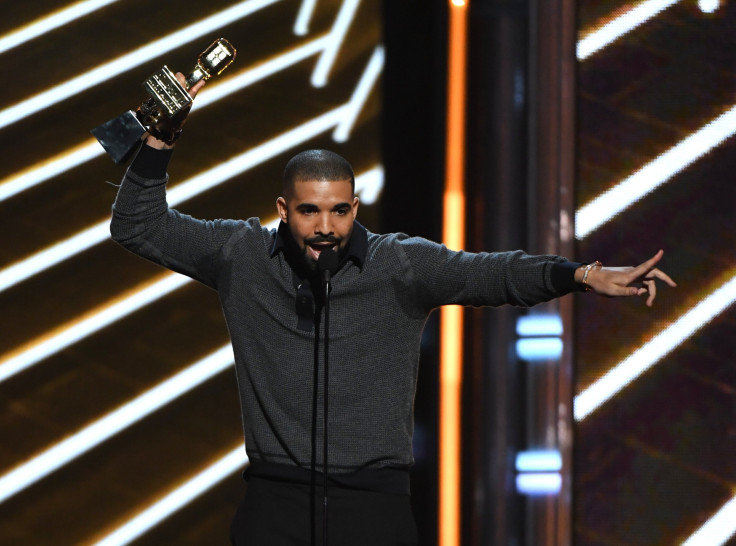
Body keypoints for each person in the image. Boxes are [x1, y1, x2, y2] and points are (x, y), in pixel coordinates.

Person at [109, 75, 676, 545]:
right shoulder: (242, 256)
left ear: (355, 207)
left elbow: (491, 273)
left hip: (374, 509)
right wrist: (159, 141)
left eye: (338, 212)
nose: (325, 228)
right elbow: (138, 225)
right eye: (309, 211)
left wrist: (579, 274)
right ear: (283, 209)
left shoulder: (399, 265)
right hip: (274, 503)